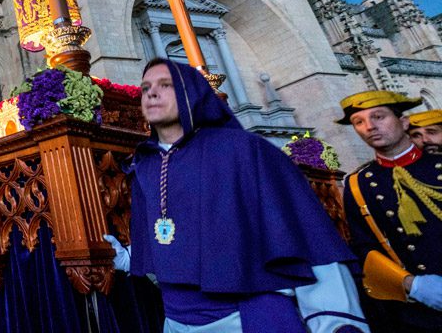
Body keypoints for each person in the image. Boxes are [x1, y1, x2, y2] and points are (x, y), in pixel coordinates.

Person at [104, 59, 367, 333]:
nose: (151, 93)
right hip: (176, 320)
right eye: (145, 88)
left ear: (192, 93)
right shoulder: (145, 164)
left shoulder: (246, 150)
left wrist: (336, 320)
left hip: (246, 317)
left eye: (165, 85)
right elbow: (178, 233)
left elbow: (305, 238)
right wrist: (130, 257)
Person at [338, 91, 442, 332]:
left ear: (404, 122)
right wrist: (411, 284)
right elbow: (365, 247)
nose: (370, 127)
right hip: (419, 311)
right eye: (359, 122)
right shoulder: (358, 183)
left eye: (379, 116)